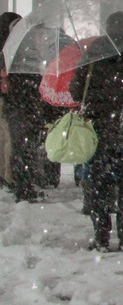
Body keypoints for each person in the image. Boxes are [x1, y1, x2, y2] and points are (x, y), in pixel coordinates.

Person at [69, 12, 123, 252]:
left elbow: (75, 88)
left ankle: (101, 236)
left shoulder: (94, 53)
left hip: (99, 129)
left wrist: (95, 101)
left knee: (99, 184)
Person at [5, 24, 67, 203]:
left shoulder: (19, 54)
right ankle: (24, 187)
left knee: (22, 148)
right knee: (24, 149)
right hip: (26, 109)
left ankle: (23, 185)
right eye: (40, 35)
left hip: (18, 108)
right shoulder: (28, 57)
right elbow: (32, 86)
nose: (42, 39)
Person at [0, 11, 22, 191]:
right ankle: (8, 174)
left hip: (7, 99)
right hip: (8, 100)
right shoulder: (12, 46)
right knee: (8, 138)